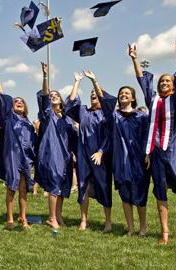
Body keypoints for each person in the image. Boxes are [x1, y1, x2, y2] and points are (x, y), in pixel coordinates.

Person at [130, 38, 176, 245]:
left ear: (173, 86)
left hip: (175, 150)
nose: (163, 83)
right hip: (156, 152)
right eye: (161, 81)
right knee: (160, 190)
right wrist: (135, 59)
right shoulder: (153, 101)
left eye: (167, 81)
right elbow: (142, 81)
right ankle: (165, 232)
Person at [88, 70, 149, 236]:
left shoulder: (142, 116)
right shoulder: (113, 116)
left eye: (127, 93)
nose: (123, 95)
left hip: (138, 159)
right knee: (125, 194)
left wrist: (148, 154)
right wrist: (95, 81)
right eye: (121, 93)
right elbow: (104, 100)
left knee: (140, 194)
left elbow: (147, 138)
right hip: (120, 160)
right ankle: (130, 228)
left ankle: (143, 227)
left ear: (133, 98)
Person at [65, 71, 112, 232]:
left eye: (96, 93)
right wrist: (77, 82)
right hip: (83, 154)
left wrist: (94, 81)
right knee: (83, 186)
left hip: (100, 155)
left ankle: (108, 221)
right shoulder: (83, 111)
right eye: (91, 93)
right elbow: (70, 103)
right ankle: (83, 220)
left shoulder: (106, 114)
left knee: (104, 186)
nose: (93, 95)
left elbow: (108, 136)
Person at [0, 68, 36, 230]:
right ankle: (10, 219)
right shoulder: (8, 117)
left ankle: (23, 218)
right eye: (16, 101)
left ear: (24, 108)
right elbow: (1, 98)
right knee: (11, 187)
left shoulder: (29, 123)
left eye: (21, 102)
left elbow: (32, 142)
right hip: (12, 157)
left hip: (25, 159)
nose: (18, 102)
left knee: (23, 189)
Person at [35, 62, 77, 231]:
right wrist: (45, 75)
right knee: (54, 185)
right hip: (51, 154)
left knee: (62, 187)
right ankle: (51, 218)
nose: (53, 96)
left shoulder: (67, 119)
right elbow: (45, 96)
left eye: (56, 95)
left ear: (61, 100)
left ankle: (59, 216)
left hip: (65, 155)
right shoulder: (47, 115)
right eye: (51, 96)